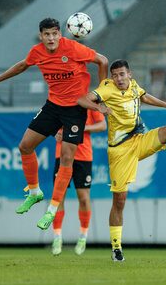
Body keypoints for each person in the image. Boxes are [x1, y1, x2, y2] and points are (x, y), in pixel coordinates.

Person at [77, 59, 166, 262]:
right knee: (119, 201)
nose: (119, 78)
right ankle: (116, 247)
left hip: (139, 140)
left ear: (129, 74)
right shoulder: (107, 88)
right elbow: (82, 100)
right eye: (115, 75)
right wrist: (98, 108)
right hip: (120, 151)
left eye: (122, 74)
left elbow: (144, 96)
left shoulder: (134, 85)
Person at [0, 18, 108, 230]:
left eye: (54, 34)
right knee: (25, 146)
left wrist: (101, 93)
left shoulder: (74, 48)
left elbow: (103, 61)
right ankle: (34, 192)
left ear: (60, 34)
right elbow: (23, 65)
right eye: (46, 34)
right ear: (41, 36)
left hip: (76, 109)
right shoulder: (37, 52)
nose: (51, 38)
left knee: (66, 159)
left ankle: (51, 209)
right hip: (53, 106)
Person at [51, 109, 106, 256]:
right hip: (62, 155)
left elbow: (102, 125)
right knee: (58, 196)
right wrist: (54, 132)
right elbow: (48, 123)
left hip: (83, 155)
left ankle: (83, 236)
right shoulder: (60, 99)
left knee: (83, 197)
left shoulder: (89, 101)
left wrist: (82, 128)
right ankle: (57, 237)